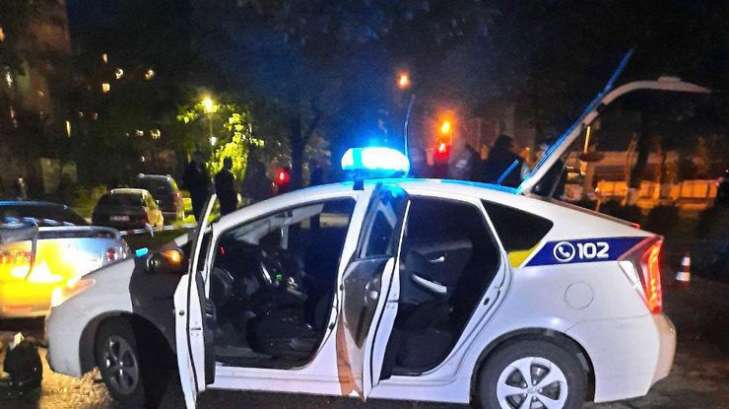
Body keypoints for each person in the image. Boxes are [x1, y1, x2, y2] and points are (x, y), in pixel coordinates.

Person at [182, 151, 210, 221]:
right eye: (197, 158)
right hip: (195, 193)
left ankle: (203, 220)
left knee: (204, 210)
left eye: (200, 158)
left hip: (204, 193)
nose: (198, 160)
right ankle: (199, 221)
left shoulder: (203, 168)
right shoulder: (190, 168)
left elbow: (207, 179)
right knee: (197, 210)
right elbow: (186, 179)